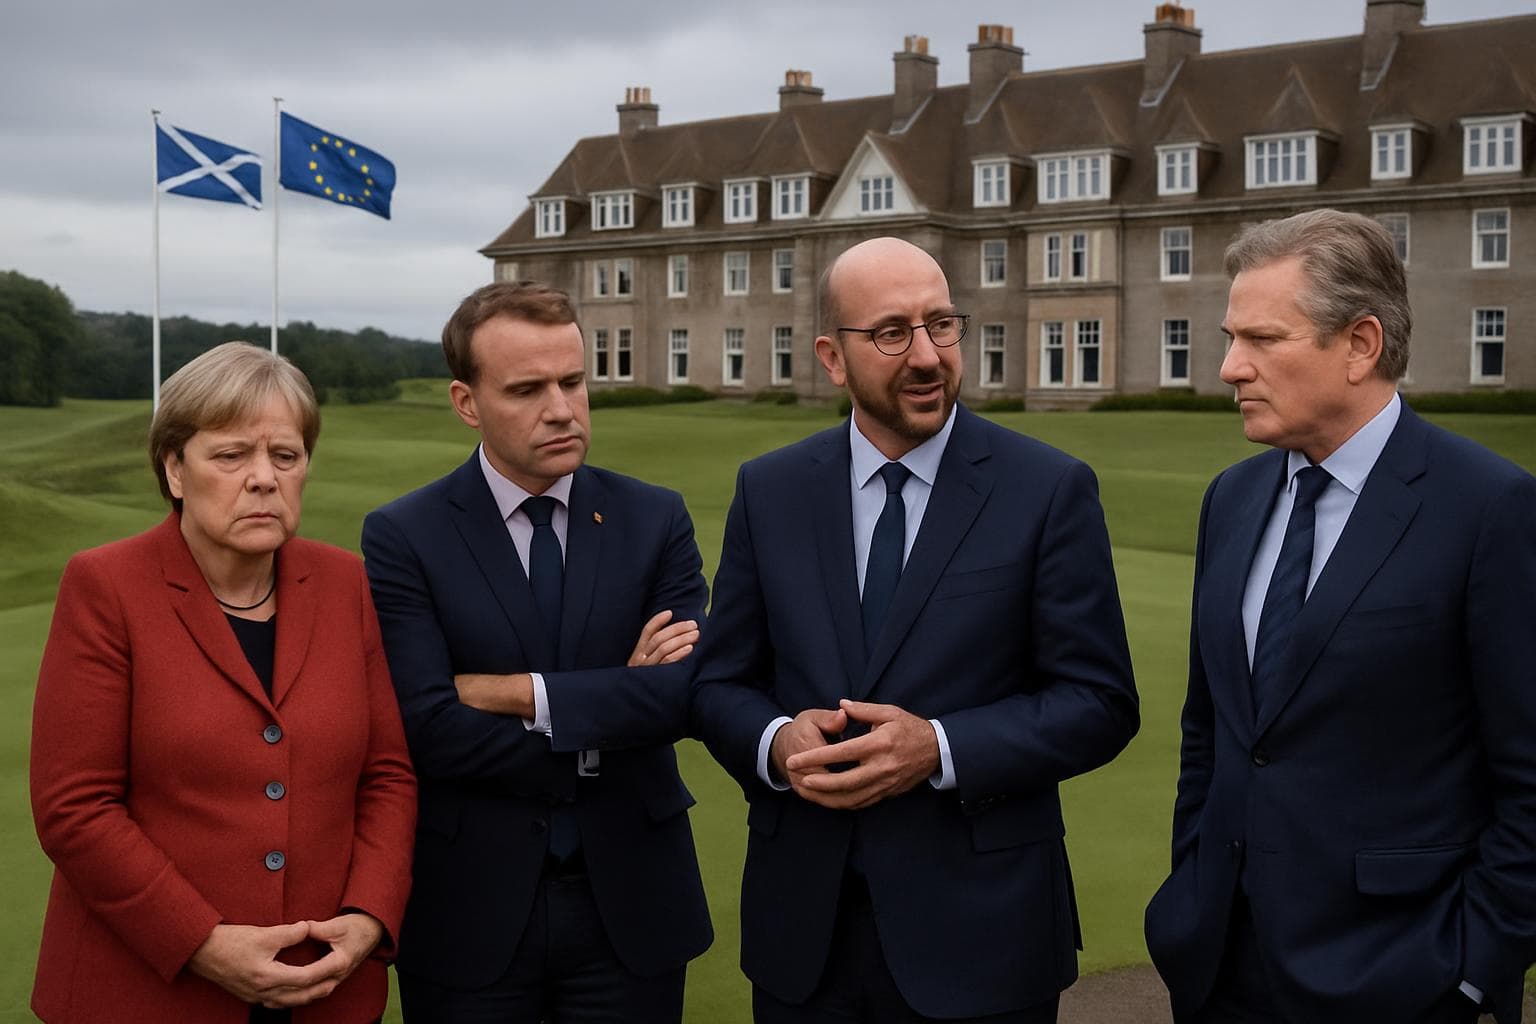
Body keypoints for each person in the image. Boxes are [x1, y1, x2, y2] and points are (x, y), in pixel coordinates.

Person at [689, 236, 1139, 1023]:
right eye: (893, 333)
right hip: (805, 939)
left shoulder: (1048, 489)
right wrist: (777, 742)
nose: (928, 355)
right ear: (832, 358)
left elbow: (1099, 702)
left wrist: (938, 747)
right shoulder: (770, 491)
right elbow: (719, 683)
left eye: (941, 324)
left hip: (985, 939)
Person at [1144, 208, 1536, 1024]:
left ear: (1360, 344)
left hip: (1397, 979)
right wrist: (1190, 891)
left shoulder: (1489, 509)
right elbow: (1211, 730)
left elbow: (1529, 775)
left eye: (1262, 339)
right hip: (1217, 968)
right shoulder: (1232, 498)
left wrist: (1470, 969)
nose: (1229, 367)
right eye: (1231, 338)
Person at [29, 342, 417, 1023]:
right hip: (150, 995)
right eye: (232, 455)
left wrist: (369, 915)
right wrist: (201, 943)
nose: (264, 478)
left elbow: (387, 774)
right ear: (174, 468)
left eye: (285, 455)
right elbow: (75, 807)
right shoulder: (106, 586)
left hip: (325, 988)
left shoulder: (343, 583)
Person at [361, 281, 711, 1023]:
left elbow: (679, 696)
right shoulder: (404, 536)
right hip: (469, 909)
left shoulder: (655, 518)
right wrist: (612, 704)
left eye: (573, 381)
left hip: (634, 904)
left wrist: (514, 692)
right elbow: (428, 728)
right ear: (467, 403)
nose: (561, 409)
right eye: (526, 389)